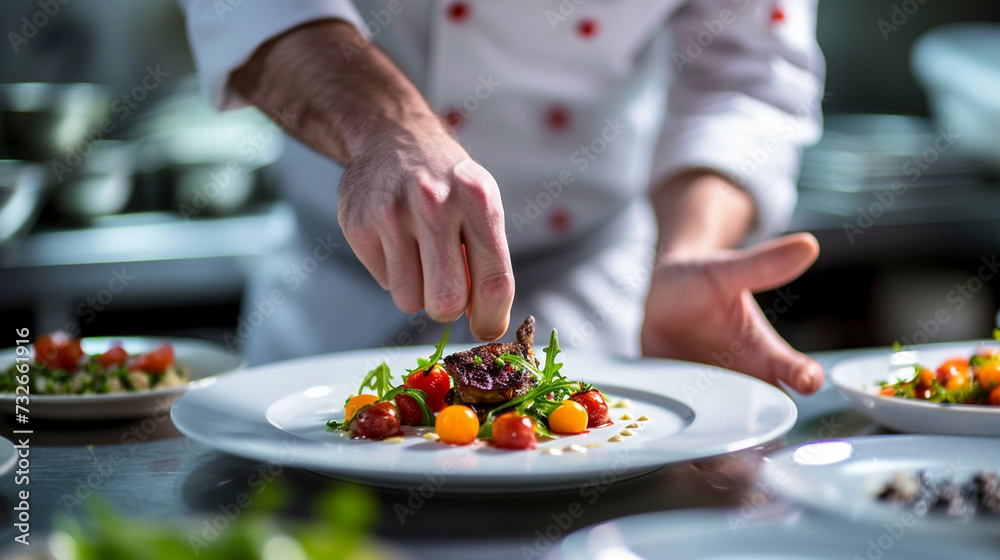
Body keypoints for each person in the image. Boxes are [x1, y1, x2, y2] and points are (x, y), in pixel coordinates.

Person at [176, 0, 826, 394]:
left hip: (592, 296)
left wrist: (688, 252)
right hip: (329, 290)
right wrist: (385, 126)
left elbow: (746, 76)